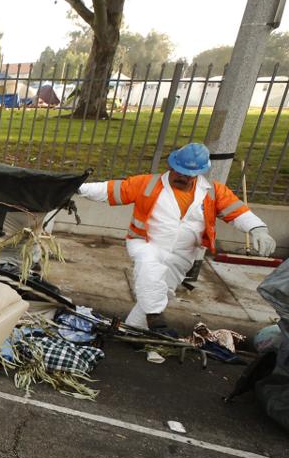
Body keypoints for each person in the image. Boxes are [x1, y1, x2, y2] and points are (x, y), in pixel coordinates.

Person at [77, 142, 276, 331]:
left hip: (183, 254)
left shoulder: (213, 192)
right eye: (179, 172)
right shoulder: (148, 184)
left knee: (164, 291)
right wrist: (76, 187)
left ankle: (132, 330)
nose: (183, 177)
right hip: (146, 243)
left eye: (189, 175)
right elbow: (110, 190)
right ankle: (154, 315)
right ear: (171, 166)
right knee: (149, 269)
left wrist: (257, 228)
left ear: (199, 173)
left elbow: (237, 211)